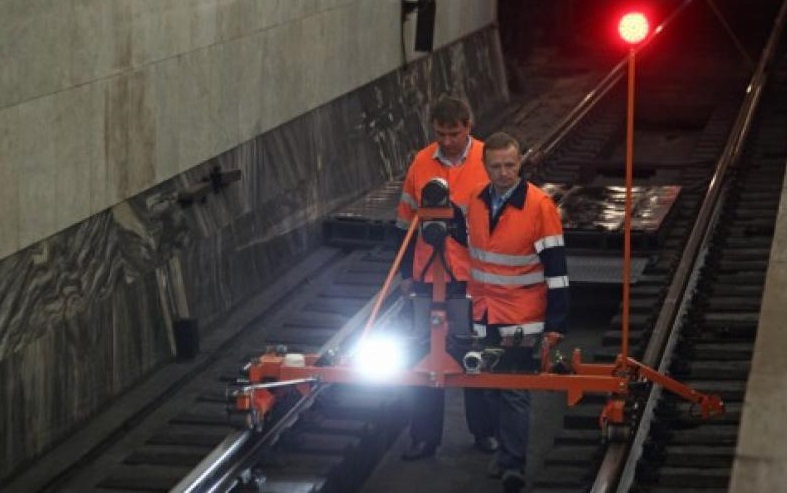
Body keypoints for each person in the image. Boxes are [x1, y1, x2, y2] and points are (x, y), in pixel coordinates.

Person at [453, 131, 569, 493]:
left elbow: (557, 270)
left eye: (511, 165)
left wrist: (556, 324)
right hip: (485, 312)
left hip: (521, 317)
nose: (504, 172)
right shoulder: (475, 201)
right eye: (497, 166)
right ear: (485, 167)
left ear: (521, 164)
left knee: (514, 390)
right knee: (490, 387)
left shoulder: (539, 207)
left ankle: (513, 467)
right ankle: (505, 454)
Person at [395, 95, 498, 461]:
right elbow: (406, 222)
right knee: (424, 355)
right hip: (428, 274)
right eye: (441, 133)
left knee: (475, 353)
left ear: (468, 127)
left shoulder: (490, 161)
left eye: (454, 133)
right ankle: (424, 438)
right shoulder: (421, 162)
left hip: (473, 277)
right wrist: (406, 274)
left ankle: (485, 432)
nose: (448, 141)